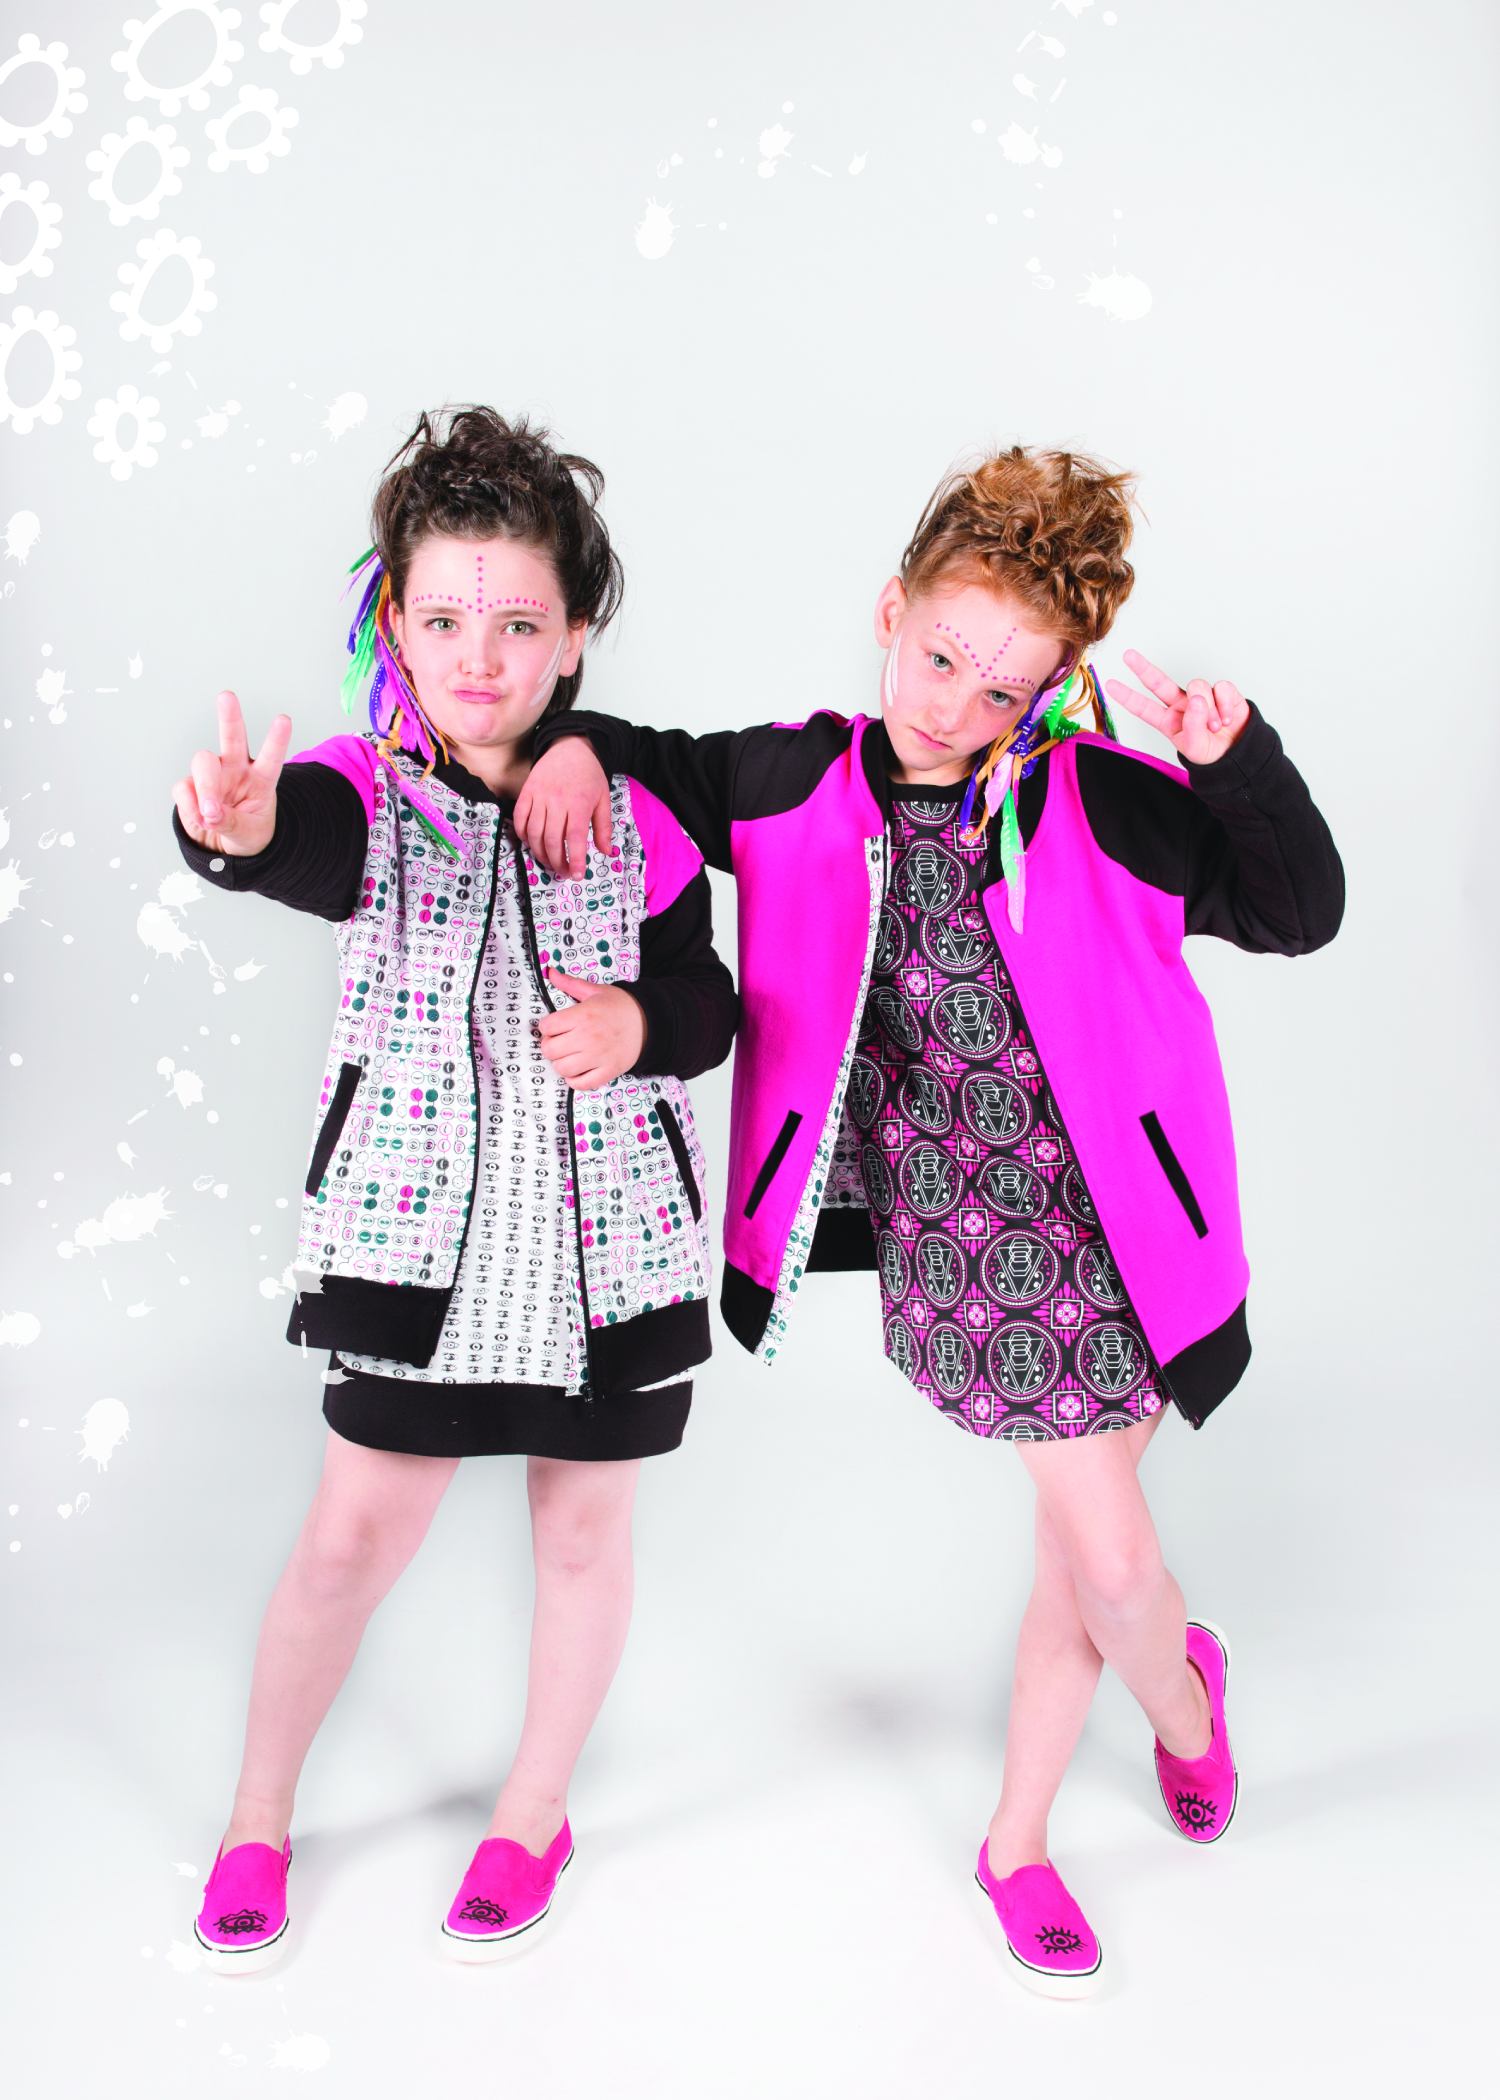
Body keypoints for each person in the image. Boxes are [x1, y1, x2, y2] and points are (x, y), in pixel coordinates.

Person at [514, 446, 1343, 1997]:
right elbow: (649, 762)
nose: (956, 708)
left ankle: (1067, 1804)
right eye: (941, 657)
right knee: (1087, 1558)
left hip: (1124, 1242)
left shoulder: (1102, 802)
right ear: (891, 612)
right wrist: (566, 745)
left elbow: (1298, 912)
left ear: (1053, 692)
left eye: (1002, 689)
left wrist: (1235, 763)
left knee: (1101, 1563)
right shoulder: (795, 780)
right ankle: (1139, 1731)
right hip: (958, 1257)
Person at [170, 407, 737, 1972]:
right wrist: (234, 828)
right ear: (395, 624)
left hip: (607, 1252)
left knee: (582, 1542)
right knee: (347, 1544)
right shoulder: (367, 793)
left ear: (575, 635)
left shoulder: (640, 816)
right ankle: (258, 1815)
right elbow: (296, 841)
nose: (477, 658)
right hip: (418, 1245)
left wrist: (639, 1027)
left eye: (517, 625)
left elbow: (709, 1008)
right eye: (440, 622)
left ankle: (532, 1814)